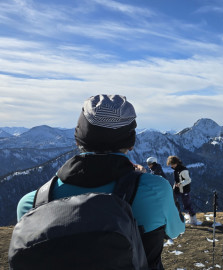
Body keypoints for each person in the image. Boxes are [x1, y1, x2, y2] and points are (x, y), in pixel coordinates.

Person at [15, 94, 185, 270]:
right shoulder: (155, 189)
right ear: (131, 143)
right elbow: (176, 229)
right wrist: (141, 179)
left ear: (77, 139)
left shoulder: (32, 204)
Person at [167, 155, 200, 225]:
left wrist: (180, 184)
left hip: (184, 190)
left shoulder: (183, 170)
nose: (171, 166)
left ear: (176, 163)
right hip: (178, 189)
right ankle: (176, 217)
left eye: (172, 164)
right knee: (172, 201)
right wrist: (175, 187)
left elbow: (188, 180)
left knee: (187, 204)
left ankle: (193, 220)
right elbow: (176, 180)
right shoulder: (176, 170)